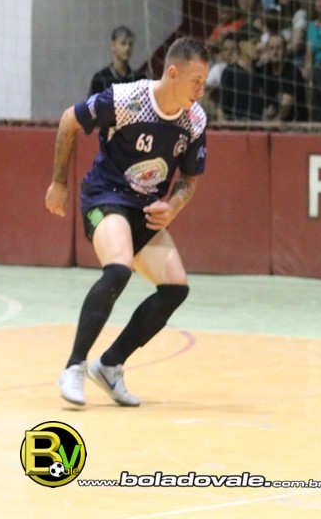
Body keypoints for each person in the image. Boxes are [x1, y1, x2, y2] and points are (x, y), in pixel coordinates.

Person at [46, 37, 210, 407]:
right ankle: (74, 366)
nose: (201, 90)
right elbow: (69, 120)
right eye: (196, 81)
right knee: (119, 269)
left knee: (176, 288)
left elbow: (189, 178)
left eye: (204, 81)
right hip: (105, 197)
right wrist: (59, 182)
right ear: (173, 73)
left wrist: (173, 206)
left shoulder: (195, 119)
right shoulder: (128, 99)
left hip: (145, 208)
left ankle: (110, 365)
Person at [89, 26, 147, 96]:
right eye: (123, 43)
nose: (127, 48)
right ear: (113, 46)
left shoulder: (139, 79)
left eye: (130, 44)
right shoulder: (100, 78)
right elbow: (92, 102)